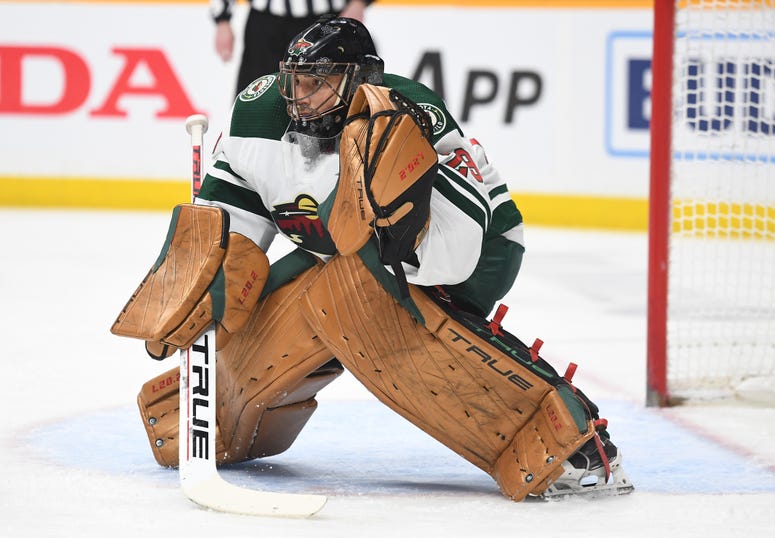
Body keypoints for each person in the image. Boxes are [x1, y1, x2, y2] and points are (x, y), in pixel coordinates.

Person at [113, 17, 633, 501]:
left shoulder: (406, 115)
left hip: (478, 250)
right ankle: (219, 420)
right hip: (339, 250)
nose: (301, 96)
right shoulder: (258, 116)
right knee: (274, 314)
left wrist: (391, 238)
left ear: (359, 78)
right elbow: (231, 227)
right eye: (295, 81)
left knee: (357, 303)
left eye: (319, 82)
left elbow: (458, 252)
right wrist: (206, 281)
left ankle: (570, 445)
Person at [211, 0, 373, 96]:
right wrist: (222, 19)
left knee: (334, 101)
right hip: (266, 26)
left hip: (328, 19)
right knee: (255, 99)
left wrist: (358, 2)